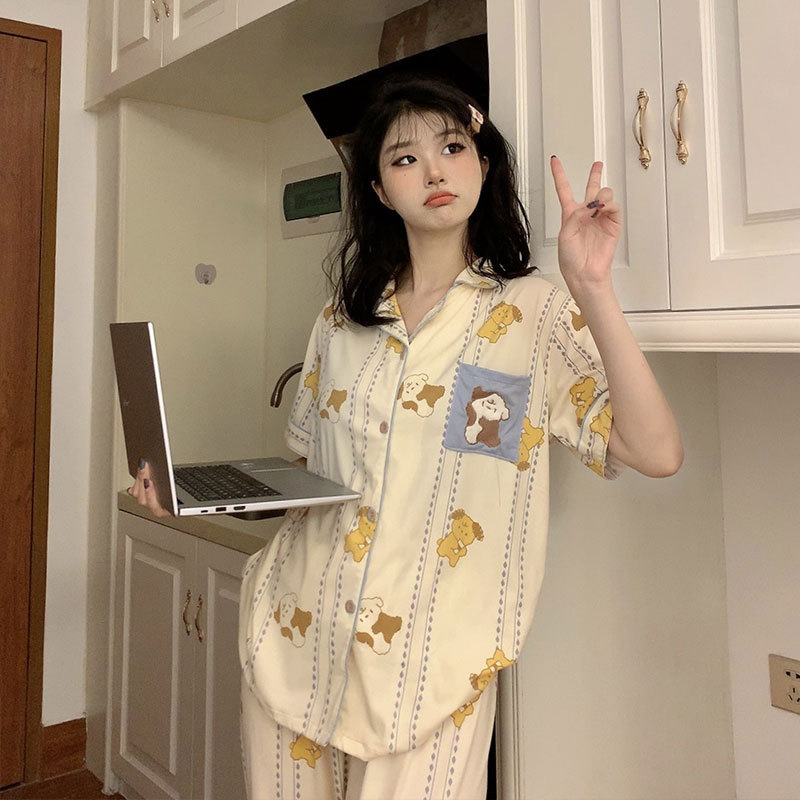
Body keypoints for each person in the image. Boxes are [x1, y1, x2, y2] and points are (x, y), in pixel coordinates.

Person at [129, 76, 683, 799]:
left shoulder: (534, 312)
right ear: (380, 191)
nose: (433, 171)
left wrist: (594, 287)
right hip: (295, 642)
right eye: (404, 158)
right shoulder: (343, 316)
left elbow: (655, 451)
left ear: (483, 164)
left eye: (452, 147)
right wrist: (196, 494)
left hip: (433, 673)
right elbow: (309, 474)